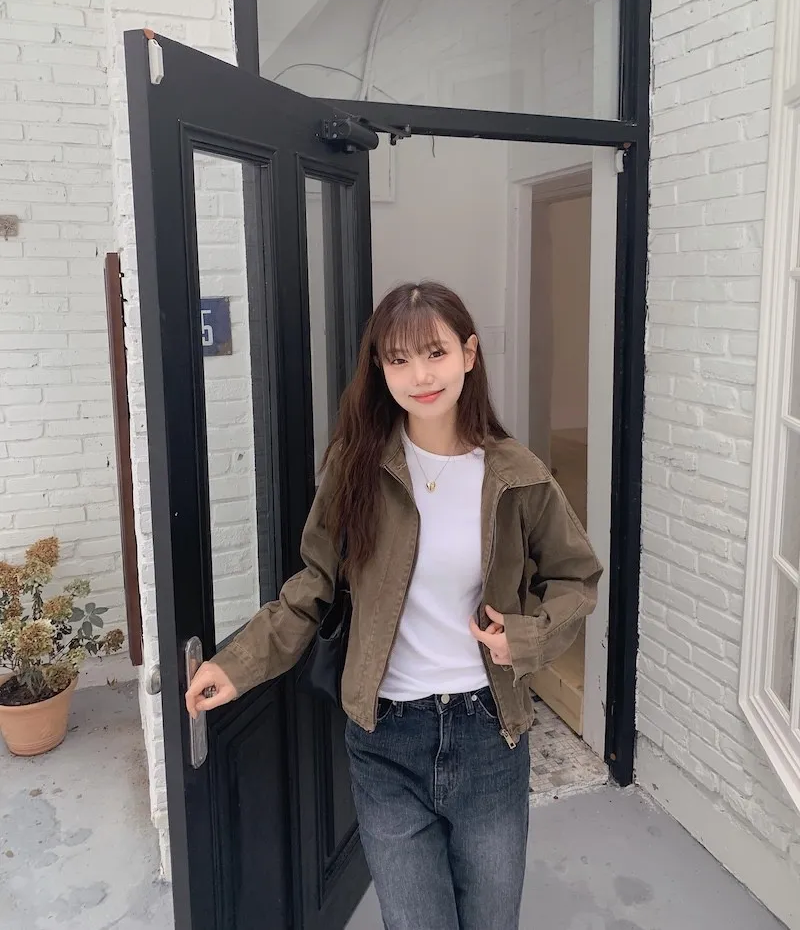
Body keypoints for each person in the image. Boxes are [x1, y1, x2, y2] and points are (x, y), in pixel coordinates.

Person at [186, 280, 602, 930]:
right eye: (399, 359)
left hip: (489, 730)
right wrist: (237, 663)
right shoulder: (357, 468)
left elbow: (577, 578)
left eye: (435, 353)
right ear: (380, 369)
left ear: (468, 354)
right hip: (386, 738)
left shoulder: (517, 474)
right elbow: (314, 585)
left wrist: (522, 638)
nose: (421, 376)